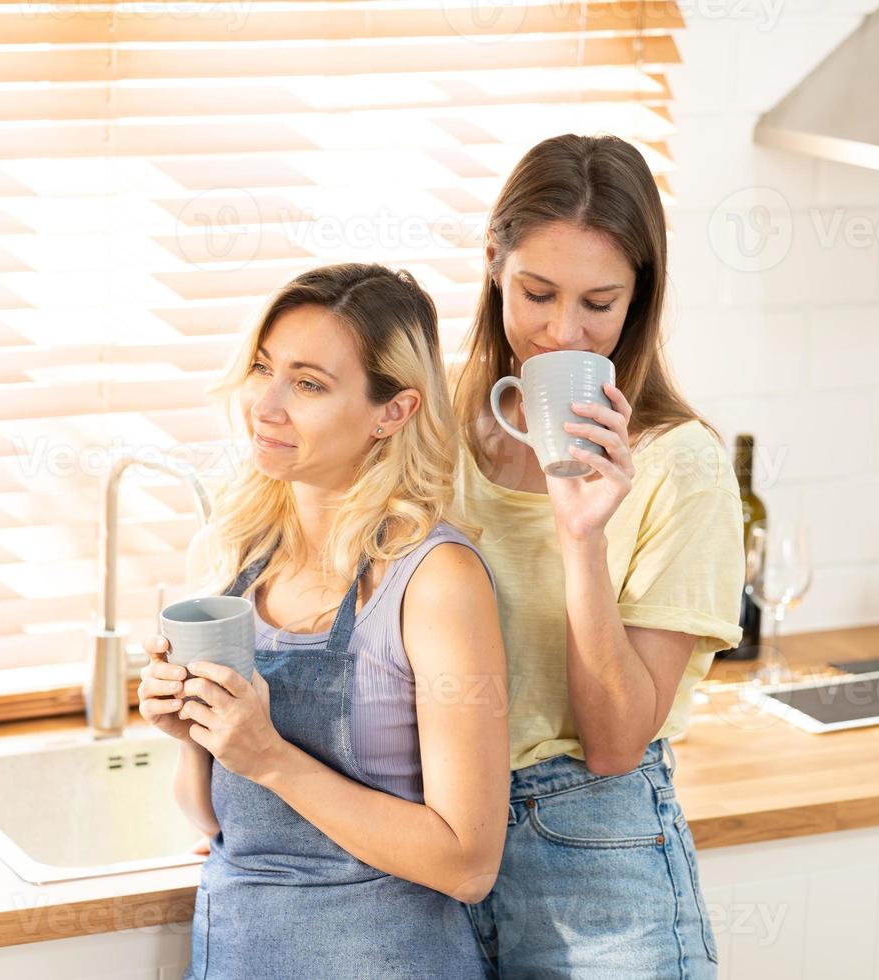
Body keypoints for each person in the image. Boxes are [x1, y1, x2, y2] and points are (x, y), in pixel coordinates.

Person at [136, 263, 508, 979]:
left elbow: (468, 863)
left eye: (307, 384)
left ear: (392, 412)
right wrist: (191, 735)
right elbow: (220, 824)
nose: (265, 406)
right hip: (240, 955)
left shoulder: (434, 580)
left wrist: (270, 757)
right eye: (261, 368)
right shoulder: (232, 558)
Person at [453, 134, 744, 979]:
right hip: (434, 844)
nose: (562, 332)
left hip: (593, 847)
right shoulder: (431, 422)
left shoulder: (679, 465)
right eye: (537, 293)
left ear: (638, 301)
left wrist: (582, 535)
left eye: (599, 303)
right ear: (494, 266)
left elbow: (616, 744)